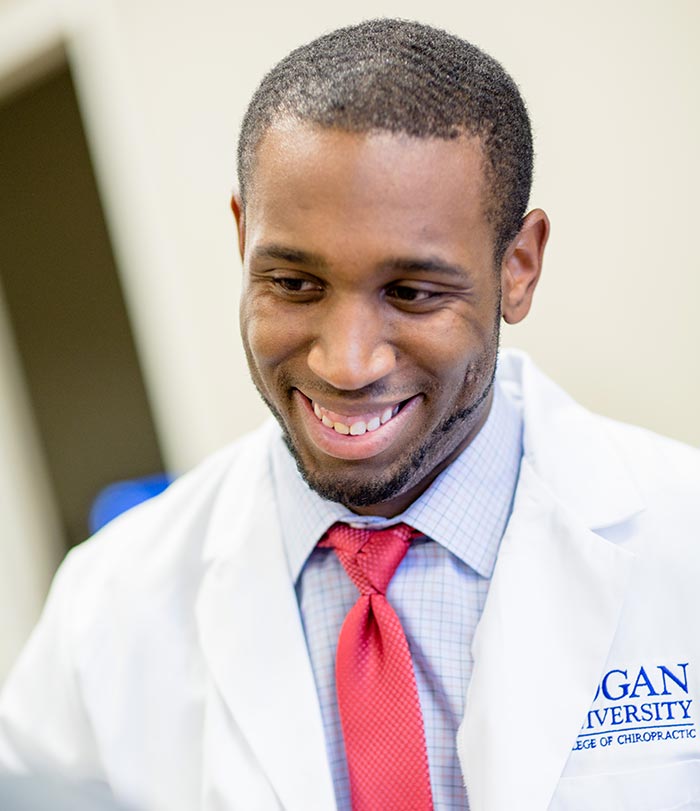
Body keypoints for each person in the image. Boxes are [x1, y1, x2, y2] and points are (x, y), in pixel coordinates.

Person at [1, 18, 699, 811]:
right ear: (243, 239)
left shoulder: (682, 538)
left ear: (518, 266)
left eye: (413, 292)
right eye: (295, 284)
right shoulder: (107, 606)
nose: (346, 362)